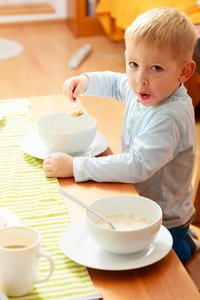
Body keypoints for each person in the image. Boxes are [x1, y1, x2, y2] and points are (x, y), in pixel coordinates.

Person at [43, 7, 199, 262]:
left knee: (150, 266)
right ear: (127, 57)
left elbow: (137, 166)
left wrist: (76, 166)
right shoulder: (145, 88)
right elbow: (118, 83)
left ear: (184, 72)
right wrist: (86, 80)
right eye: (133, 64)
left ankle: (186, 245)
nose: (140, 80)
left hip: (164, 221)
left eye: (156, 68)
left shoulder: (169, 116)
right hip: (137, 198)